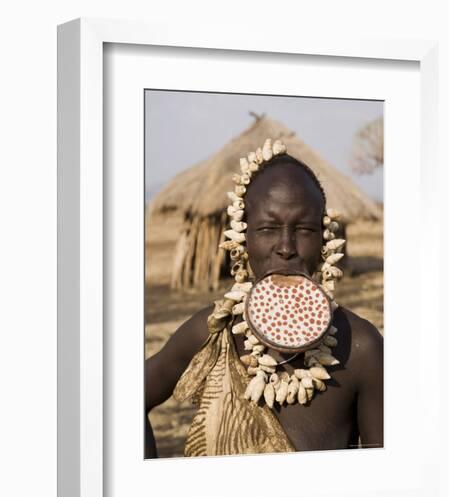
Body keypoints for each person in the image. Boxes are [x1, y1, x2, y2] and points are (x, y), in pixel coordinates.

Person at [144, 139, 383, 458]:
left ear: (325, 241)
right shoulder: (213, 333)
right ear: (243, 239)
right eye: (268, 228)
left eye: (305, 229)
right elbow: (123, 401)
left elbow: (387, 479)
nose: (286, 246)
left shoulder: (361, 348)